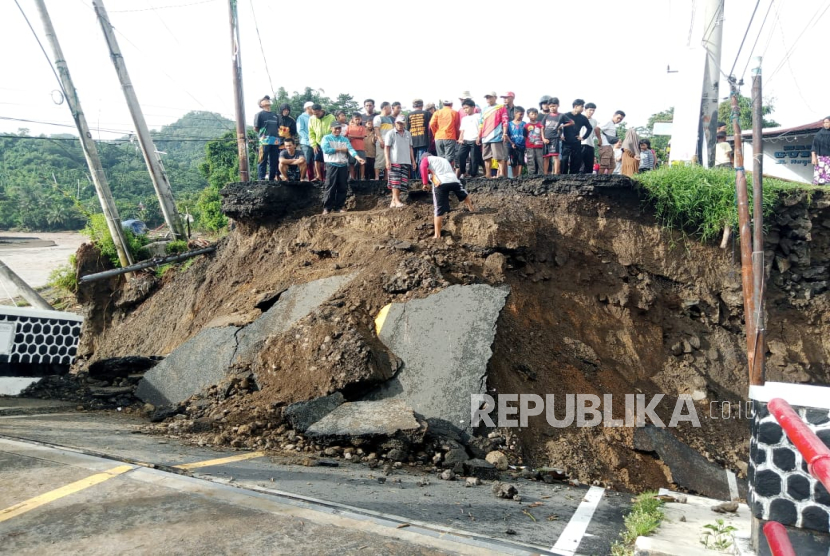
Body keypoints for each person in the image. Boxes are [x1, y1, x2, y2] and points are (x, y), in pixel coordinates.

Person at [419, 155, 474, 239]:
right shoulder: (443, 159)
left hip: (440, 182)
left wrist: (425, 183)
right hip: (454, 180)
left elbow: (423, 167)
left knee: (438, 208)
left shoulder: (426, 159)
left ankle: (437, 235)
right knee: (463, 193)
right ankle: (471, 208)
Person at [321, 121, 364, 214]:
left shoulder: (344, 139)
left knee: (342, 187)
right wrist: (340, 149)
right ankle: (327, 208)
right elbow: (326, 150)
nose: (337, 130)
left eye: (339, 128)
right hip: (331, 164)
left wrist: (358, 158)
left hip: (343, 165)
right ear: (331, 128)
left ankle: (339, 207)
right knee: (330, 186)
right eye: (336, 128)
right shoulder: (326, 138)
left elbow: (350, 149)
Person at [384, 115, 416, 208]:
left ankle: (393, 201)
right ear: (395, 123)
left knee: (402, 182)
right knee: (395, 181)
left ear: (404, 124)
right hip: (395, 160)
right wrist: (387, 160)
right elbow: (386, 148)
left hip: (405, 160)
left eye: (402, 123)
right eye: (398, 123)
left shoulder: (408, 134)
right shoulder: (390, 133)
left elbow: (410, 148)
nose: (400, 125)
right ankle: (397, 201)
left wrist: (413, 160)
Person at [479, 91, 508, 178]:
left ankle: (502, 174)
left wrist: (505, 133)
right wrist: (478, 136)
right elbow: (481, 123)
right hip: (485, 137)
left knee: (498, 156)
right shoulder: (483, 109)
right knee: (486, 157)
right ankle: (488, 174)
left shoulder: (501, 107)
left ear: (495, 97)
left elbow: (505, 121)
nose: (488, 99)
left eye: (490, 97)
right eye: (487, 97)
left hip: (496, 135)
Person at [560, 99, 593, 175]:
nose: (583, 108)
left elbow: (590, 128)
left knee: (575, 160)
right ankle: (563, 176)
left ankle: (573, 177)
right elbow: (558, 125)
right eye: (582, 106)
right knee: (564, 159)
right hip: (566, 141)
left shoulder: (583, 118)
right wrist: (560, 135)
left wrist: (583, 137)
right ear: (576, 106)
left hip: (576, 142)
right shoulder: (565, 115)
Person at [253, 96, 281, 181]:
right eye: (264, 100)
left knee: (274, 161)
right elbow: (256, 128)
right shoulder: (259, 114)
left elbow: (278, 127)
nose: (267, 100)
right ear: (261, 104)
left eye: (268, 99)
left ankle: (271, 179)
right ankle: (261, 179)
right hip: (264, 140)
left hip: (275, 140)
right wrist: (263, 135)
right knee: (262, 159)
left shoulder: (275, 115)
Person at [541, 97, 570, 175]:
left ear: (558, 105)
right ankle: (545, 173)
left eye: (554, 106)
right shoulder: (546, 116)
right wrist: (543, 138)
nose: (552, 108)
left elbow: (571, 122)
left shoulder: (561, 116)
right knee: (546, 157)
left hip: (555, 138)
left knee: (556, 156)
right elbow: (542, 128)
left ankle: (556, 173)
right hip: (546, 138)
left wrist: (562, 126)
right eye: (550, 106)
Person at [456, 99, 482, 178]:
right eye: (464, 108)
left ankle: (473, 175)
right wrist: (460, 139)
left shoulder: (478, 116)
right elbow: (462, 130)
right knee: (460, 155)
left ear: (473, 107)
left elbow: (480, 128)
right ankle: (463, 172)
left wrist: (479, 137)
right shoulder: (464, 119)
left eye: (467, 108)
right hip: (465, 140)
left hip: (474, 139)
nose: (465, 110)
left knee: (474, 158)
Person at [429, 99, 460, 164]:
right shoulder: (454, 112)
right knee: (449, 157)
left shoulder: (437, 112)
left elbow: (431, 124)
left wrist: (435, 133)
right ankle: (446, 170)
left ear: (443, 105)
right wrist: (457, 137)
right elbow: (457, 126)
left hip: (438, 137)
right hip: (450, 137)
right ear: (451, 104)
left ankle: (442, 172)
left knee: (440, 157)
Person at [309, 104, 335, 181]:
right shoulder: (311, 119)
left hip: (328, 142)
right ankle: (318, 176)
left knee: (328, 160)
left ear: (321, 111)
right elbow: (311, 133)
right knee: (316, 159)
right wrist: (313, 144)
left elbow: (334, 130)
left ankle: (329, 177)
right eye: (314, 114)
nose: (315, 115)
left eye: (317, 113)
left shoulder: (331, 117)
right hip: (318, 142)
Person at [594, 110, 625, 175]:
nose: (619, 120)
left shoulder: (613, 124)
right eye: (618, 118)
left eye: (621, 119)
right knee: (604, 164)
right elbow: (597, 128)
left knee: (612, 166)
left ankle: (607, 180)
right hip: (605, 146)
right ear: (614, 115)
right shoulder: (608, 122)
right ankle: (598, 180)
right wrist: (599, 140)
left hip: (610, 147)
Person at [407, 99, 431, 173]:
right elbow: (431, 126)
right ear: (422, 105)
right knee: (422, 159)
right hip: (423, 140)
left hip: (412, 140)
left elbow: (407, 129)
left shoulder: (408, 115)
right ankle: (421, 177)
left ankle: (413, 177)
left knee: (412, 159)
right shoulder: (427, 113)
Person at [373, 102, 394, 179]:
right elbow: (376, 129)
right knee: (379, 159)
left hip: (389, 143)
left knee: (387, 160)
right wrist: (381, 140)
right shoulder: (378, 117)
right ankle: (377, 177)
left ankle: (386, 177)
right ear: (385, 107)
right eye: (390, 107)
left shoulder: (390, 119)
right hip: (382, 141)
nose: (391, 109)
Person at [296, 101, 315, 181]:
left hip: (315, 143)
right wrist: (310, 138)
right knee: (305, 161)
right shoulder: (301, 117)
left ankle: (313, 178)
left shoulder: (314, 117)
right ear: (307, 108)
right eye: (312, 107)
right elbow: (300, 130)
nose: (313, 109)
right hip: (306, 143)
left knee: (315, 161)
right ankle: (302, 178)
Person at [346, 113, 367, 180]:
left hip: (361, 147)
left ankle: (362, 177)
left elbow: (363, 136)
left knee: (362, 162)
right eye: (356, 119)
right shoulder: (349, 127)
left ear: (361, 119)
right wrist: (349, 137)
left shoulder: (362, 127)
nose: (357, 120)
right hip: (351, 148)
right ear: (353, 120)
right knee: (351, 163)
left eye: (359, 119)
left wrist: (352, 136)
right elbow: (346, 136)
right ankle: (352, 177)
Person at [507, 106, 526, 178]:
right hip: (512, 145)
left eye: (523, 114)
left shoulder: (524, 124)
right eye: (520, 114)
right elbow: (507, 135)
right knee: (513, 162)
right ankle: (514, 177)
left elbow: (526, 135)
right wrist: (511, 143)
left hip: (521, 145)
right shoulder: (509, 124)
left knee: (521, 161)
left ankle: (519, 176)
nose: (522, 116)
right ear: (515, 113)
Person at [524, 108, 544, 175]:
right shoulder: (526, 126)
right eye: (532, 114)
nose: (534, 116)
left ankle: (541, 175)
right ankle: (531, 175)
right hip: (530, 147)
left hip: (539, 146)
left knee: (540, 160)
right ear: (528, 115)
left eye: (535, 114)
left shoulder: (540, 125)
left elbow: (542, 134)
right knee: (531, 160)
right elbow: (525, 136)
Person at [811, 117, 830, 185]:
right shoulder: (818, 134)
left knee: (828, 174)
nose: (826, 124)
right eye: (824, 123)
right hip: (820, 158)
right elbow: (814, 146)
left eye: (827, 122)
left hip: (829, 158)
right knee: (819, 174)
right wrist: (813, 157)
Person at [580, 102, 597, 174]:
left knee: (589, 165)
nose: (592, 112)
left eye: (593, 110)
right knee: (580, 165)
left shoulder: (594, 121)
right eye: (590, 110)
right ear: (585, 110)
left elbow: (593, 134)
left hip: (590, 144)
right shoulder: (579, 118)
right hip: (580, 143)